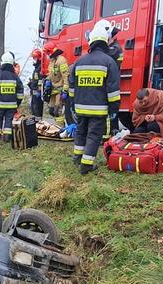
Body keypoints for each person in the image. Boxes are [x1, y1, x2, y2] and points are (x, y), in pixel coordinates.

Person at [69, 20, 120, 175]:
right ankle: (86, 165)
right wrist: (114, 109)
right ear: (105, 42)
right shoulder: (109, 62)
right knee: (93, 135)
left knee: (81, 131)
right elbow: (112, 90)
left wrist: (73, 103)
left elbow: (72, 86)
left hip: (80, 107)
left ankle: (78, 157)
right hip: (98, 108)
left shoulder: (79, 61)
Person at [0, 52, 24, 142]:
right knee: (9, 121)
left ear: (2, 62)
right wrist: (18, 102)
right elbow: (20, 90)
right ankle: (7, 139)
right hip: (12, 105)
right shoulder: (15, 76)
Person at [44, 41, 70, 126]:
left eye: (47, 52)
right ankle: (57, 126)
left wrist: (65, 90)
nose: (47, 54)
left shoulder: (61, 60)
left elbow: (66, 76)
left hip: (60, 89)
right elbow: (51, 74)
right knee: (51, 111)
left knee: (57, 111)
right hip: (53, 90)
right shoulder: (52, 61)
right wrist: (47, 80)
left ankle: (60, 128)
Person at [28, 48, 44, 118]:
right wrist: (31, 83)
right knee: (34, 110)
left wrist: (38, 87)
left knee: (37, 110)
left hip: (37, 92)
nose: (33, 60)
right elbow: (36, 79)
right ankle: (35, 124)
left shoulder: (40, 67)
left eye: (34, 58)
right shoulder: (37, 68)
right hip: (34, 92)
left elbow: (41, 79)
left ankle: (38, 124)